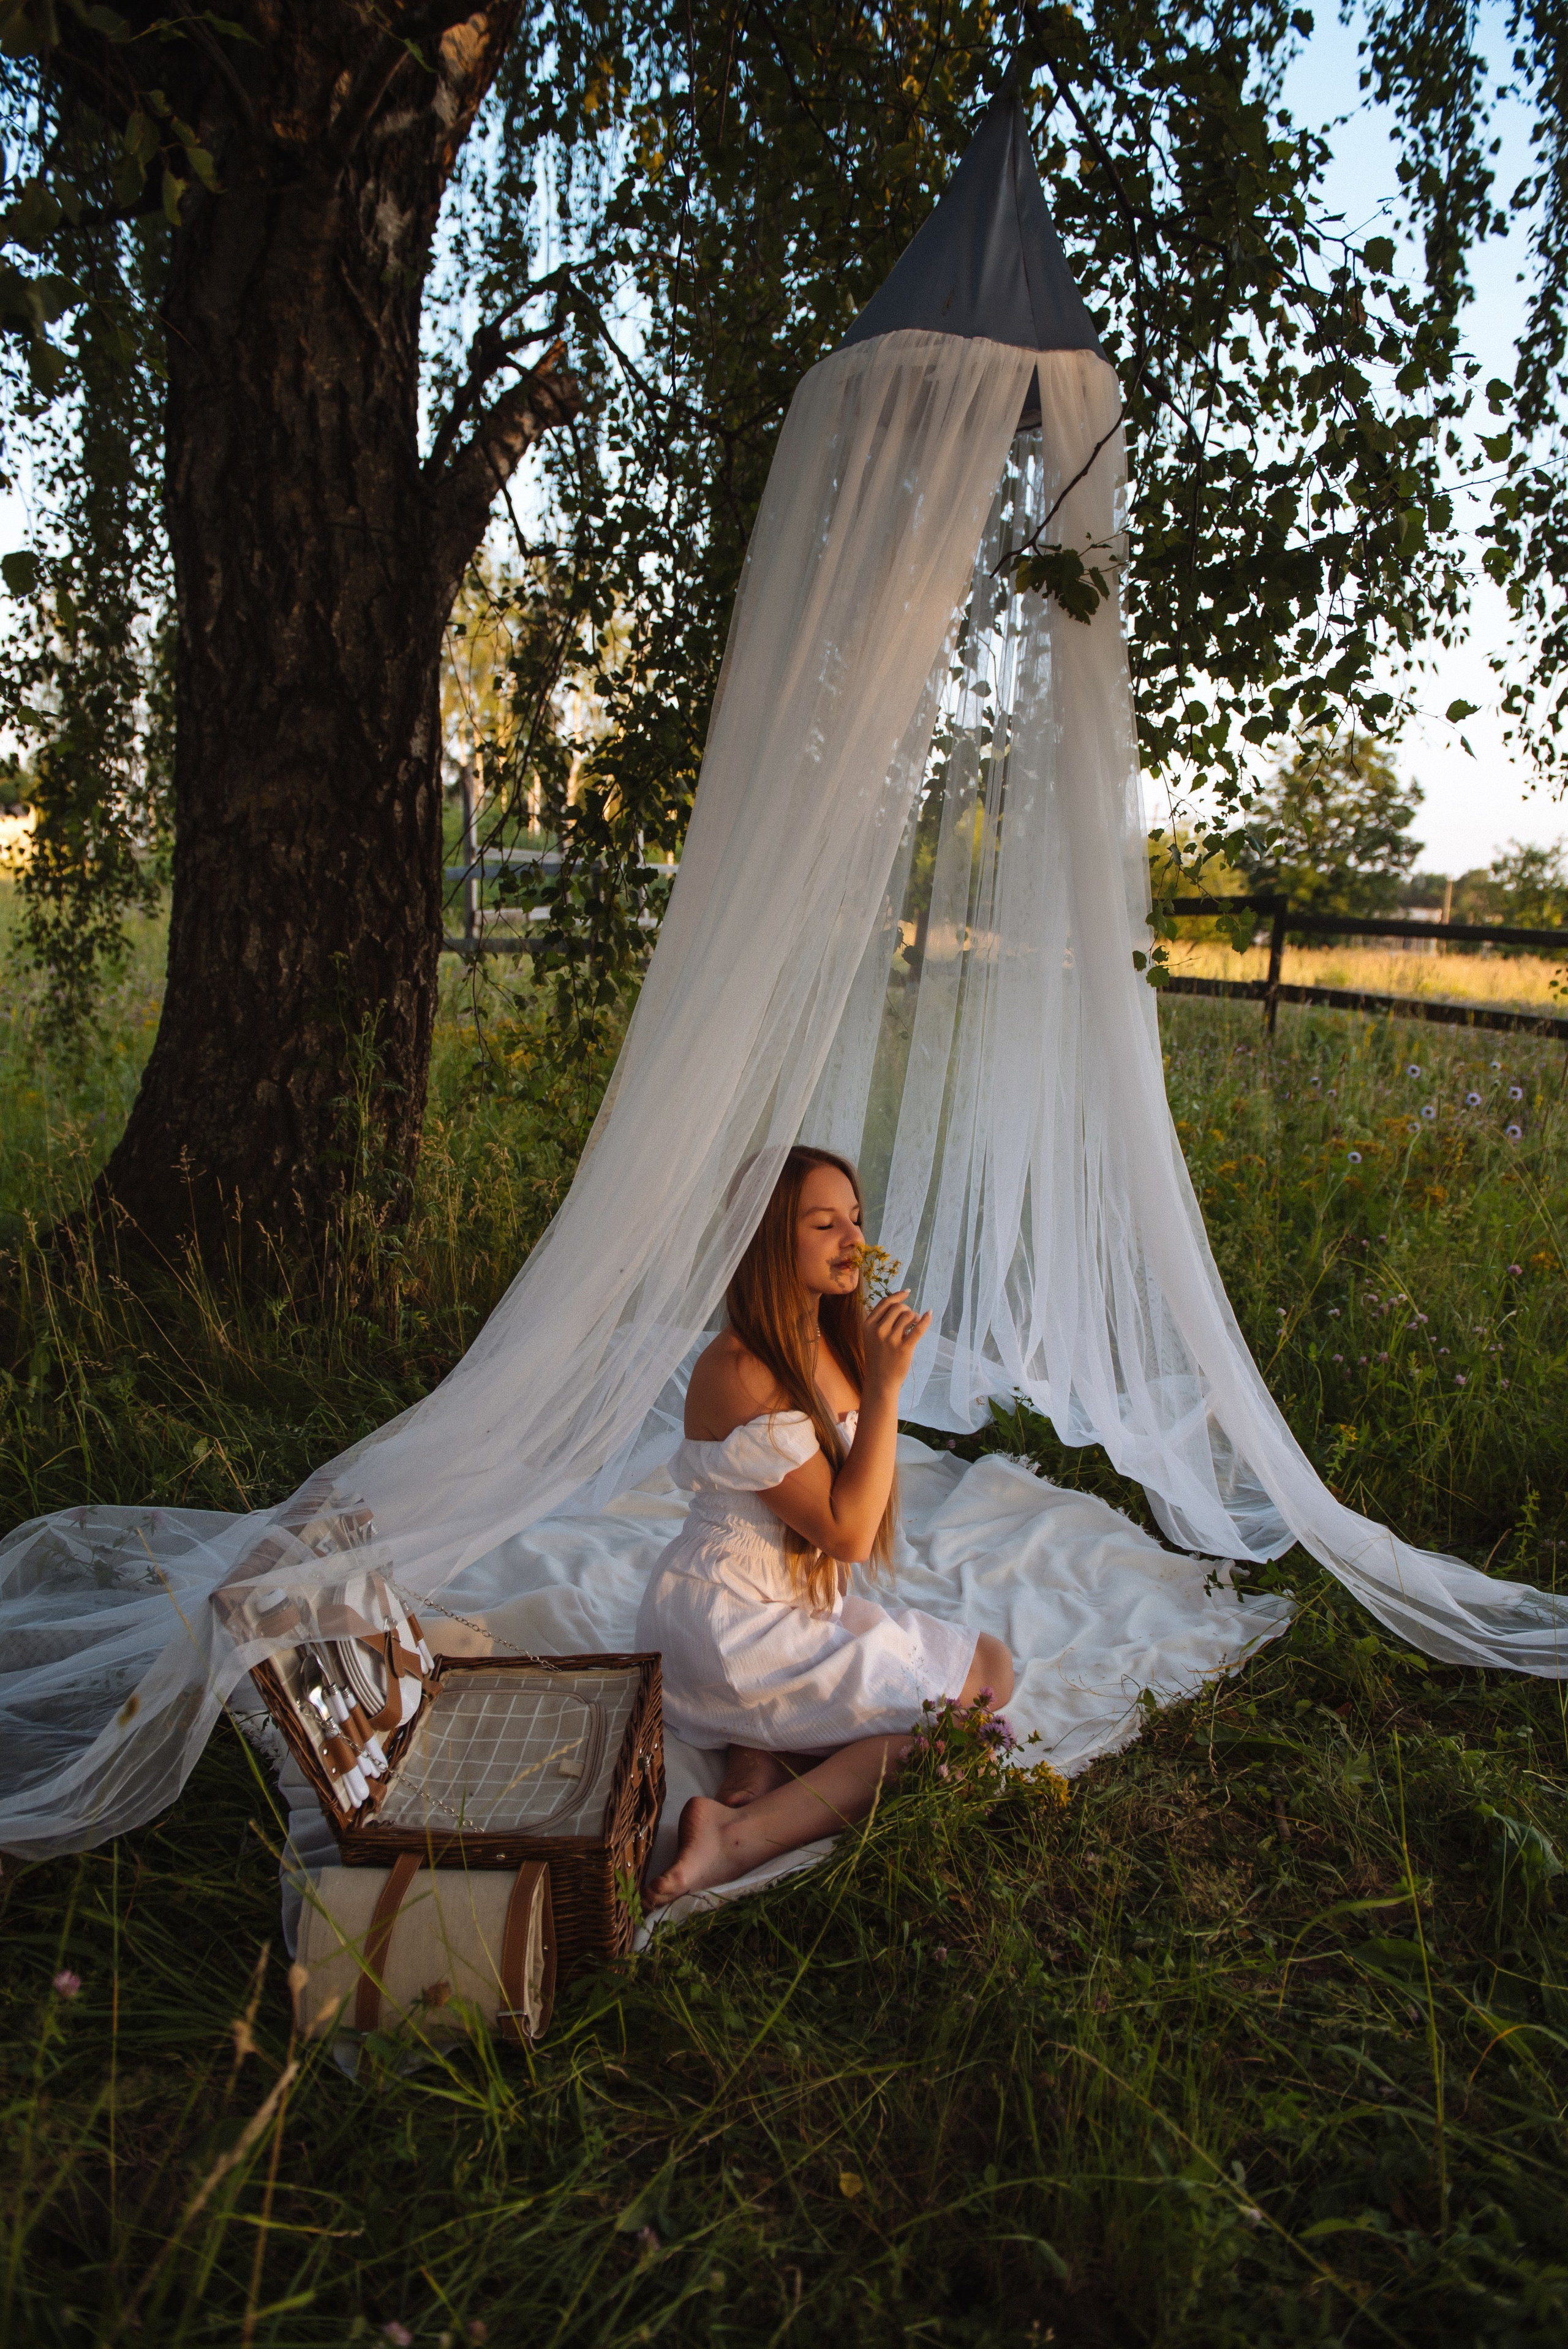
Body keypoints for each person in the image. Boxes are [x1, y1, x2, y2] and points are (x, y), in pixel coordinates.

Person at [639, 1143, 1014, 1904]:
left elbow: (855, 1514)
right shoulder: (740, 1369)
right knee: (964, 1705)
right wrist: (886, 1388)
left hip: (790, 1602)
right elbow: (846, 1532)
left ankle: (760, 1750)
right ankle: (732, 1838)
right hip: (730, 1618)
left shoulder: (830, 1341)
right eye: (823, 1223)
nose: (855, 1241)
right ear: (771, 1238)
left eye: (856, 1219)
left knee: (986, 1665)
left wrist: (877, 1376)